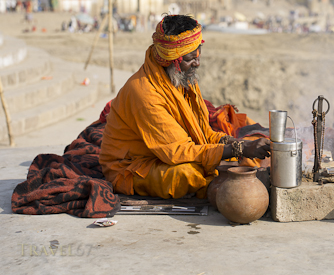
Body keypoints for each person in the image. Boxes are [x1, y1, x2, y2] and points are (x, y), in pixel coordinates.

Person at [99, 14, 271, 199]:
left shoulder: (183, 78)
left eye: (198, 54)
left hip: (170, 152)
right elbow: (177, 151)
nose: (197, 63)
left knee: (239, 157)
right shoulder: (144, 93)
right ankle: (228, 194)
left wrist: (242, 145)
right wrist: (240, 149)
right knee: (189, 174)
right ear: (171, 60)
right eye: (190, 58)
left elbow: (205, 135)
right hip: (132, 167)